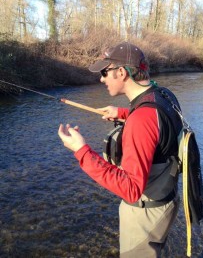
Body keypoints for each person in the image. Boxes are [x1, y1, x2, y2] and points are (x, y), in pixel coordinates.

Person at [58, 42, 182, 258]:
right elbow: (158, 121)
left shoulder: (142, 119)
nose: (101, 79)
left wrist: (81, 150)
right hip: (166, 201)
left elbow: (132, 189)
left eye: (105, 73)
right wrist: (124, 113)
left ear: (122, 72)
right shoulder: (163, 94)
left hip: (146, 215)